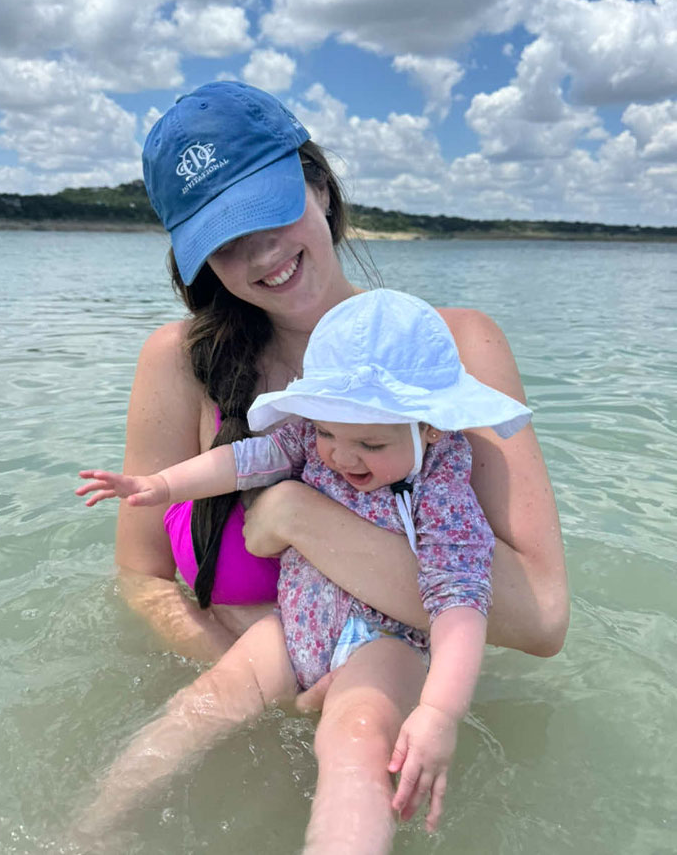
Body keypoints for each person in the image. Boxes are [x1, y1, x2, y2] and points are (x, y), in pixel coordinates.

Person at [110, 80, 567, 851]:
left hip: (395, 723)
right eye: (224, 242)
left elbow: (542, 617)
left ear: (318, 184)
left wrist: (299, 518)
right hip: (252, 713)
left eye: (269, 212)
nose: (260, 257)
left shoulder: (456, 356)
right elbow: (141, 577)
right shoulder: (179, 362)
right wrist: (254, 677)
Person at [77, 288, 532, 843]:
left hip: (386, 643)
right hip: (295, 625)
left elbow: (460, 605)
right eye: (326, 433)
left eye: (369, 442)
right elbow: (245, 460)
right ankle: (90, 828)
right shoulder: (316, 438)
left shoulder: (443, 494)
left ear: (430, 427)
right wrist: (163, 484)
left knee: (356, 740)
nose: (340, 455)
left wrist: (438, 714)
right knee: (203, 704)